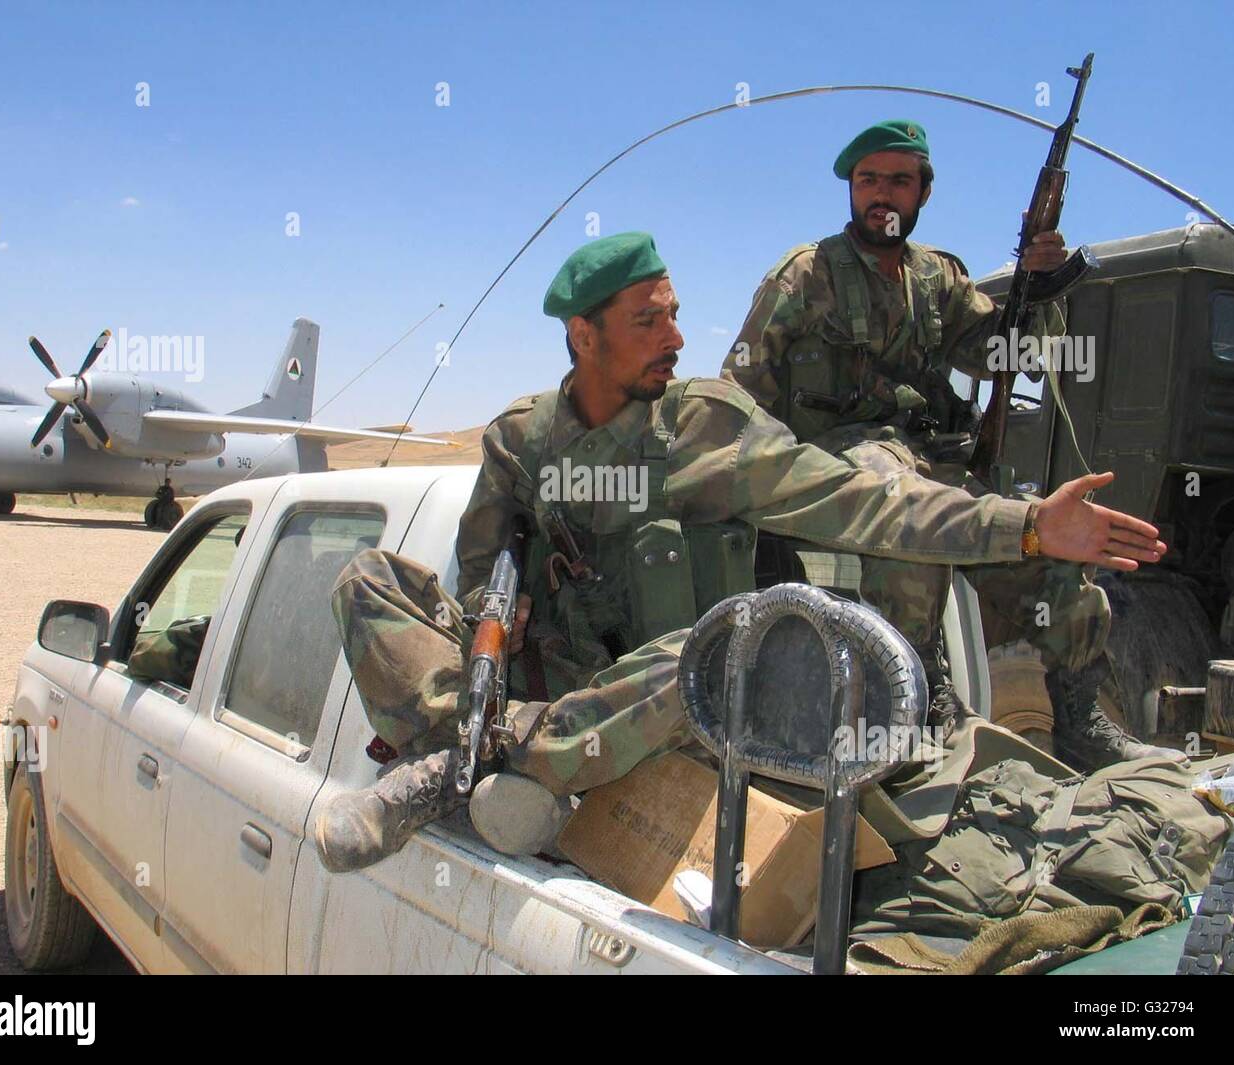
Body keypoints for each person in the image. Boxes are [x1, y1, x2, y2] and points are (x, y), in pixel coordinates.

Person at [315, 231, 1167, 873]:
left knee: (722, 648)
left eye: (676, 314)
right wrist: (497, 610)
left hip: (663, 714)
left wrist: (1021, 525)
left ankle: (461, 768)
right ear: (583, 337)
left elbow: (863, 503)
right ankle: (487, 745)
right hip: (555, 684)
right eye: (648, 321)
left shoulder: (706, 429)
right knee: (368, 577)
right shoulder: (518, 441)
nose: (677, 338)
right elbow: (479, 582)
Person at [720, 119, 1177, 772]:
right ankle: (912, 699)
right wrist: (748, 489)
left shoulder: (938, 277)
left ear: (922, 193)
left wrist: (1040, 287)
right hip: (836, 457)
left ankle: (1076, 714)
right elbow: (739, 388)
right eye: (868, 179)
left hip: (929, 454)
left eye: (899, 180)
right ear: (851, 189)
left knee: (1045, 540)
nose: (883, 194)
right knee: (911, 520)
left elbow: (1003, 354)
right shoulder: (805, 274)